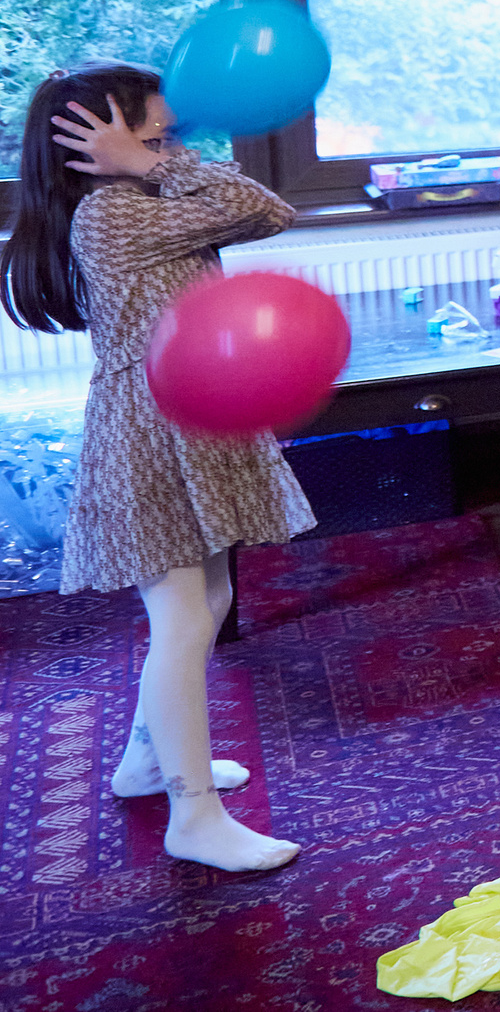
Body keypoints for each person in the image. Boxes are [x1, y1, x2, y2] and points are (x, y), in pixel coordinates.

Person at [0, 64, 312, 873]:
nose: (175, 148)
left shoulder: (140, 199)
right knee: (179, 618)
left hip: (187, 415)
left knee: (209, 596)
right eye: (157, 136)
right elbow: (267, 207)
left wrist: (149, 161)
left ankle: (146, 758)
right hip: (154, 430)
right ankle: (193, 814)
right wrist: (143, 167)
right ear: (98, 146)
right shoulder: (111, 212)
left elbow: (240, 200)